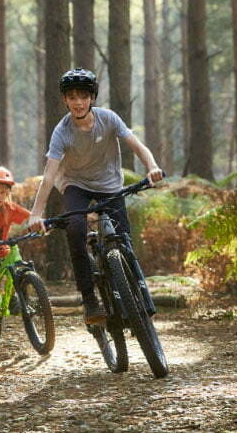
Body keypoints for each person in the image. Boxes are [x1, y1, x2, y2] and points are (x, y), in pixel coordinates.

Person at [28, 68, 163, 326]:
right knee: (76, 229)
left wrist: (152, 167)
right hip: (75, 184)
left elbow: (137, 145)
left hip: (109, 184)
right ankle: (90, 299)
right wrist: (36, 213)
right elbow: (48, 176)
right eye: (72, 97)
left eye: (83, 96)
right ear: (65, 100)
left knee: (123, 237)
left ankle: (134, 292)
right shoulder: (62, 131)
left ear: (92, 98)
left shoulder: (108, 119)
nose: (78, 102)